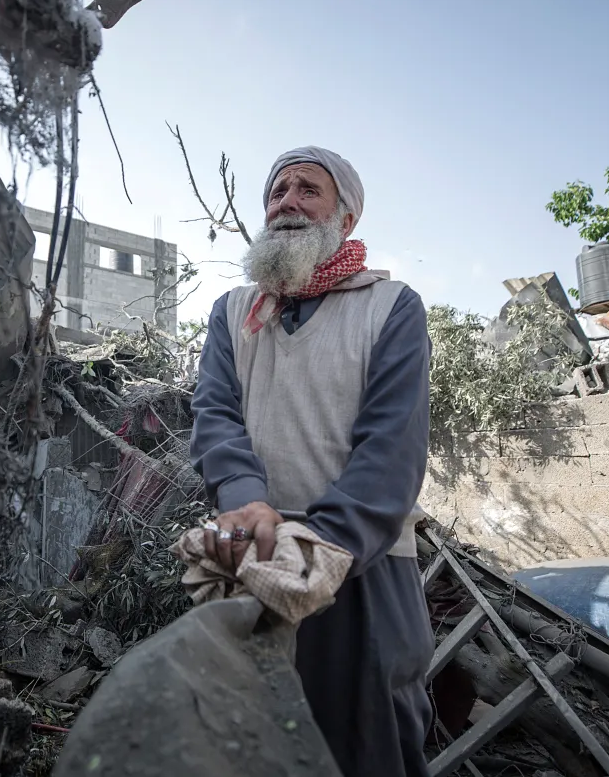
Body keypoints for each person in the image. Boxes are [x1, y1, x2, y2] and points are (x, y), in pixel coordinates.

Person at [189, 146, 435, 777]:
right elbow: (216, 419)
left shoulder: (392, 307)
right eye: (278, 192)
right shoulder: (233, 313)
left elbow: (391, 447)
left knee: (369, 743)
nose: (288, 203)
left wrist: (322, 546)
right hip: (259, 550)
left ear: (344, 218)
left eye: (308, 190)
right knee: (260, 739)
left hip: (363, 567)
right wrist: (247, 503)